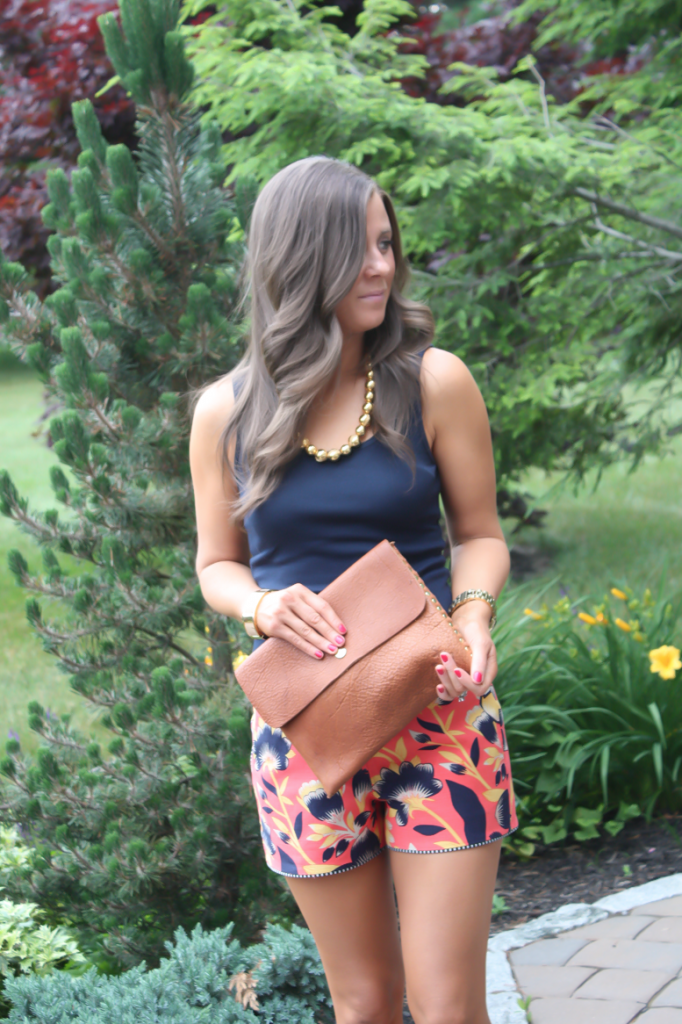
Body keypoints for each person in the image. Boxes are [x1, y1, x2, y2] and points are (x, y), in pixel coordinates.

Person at [190, 156, 517, 1024]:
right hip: (303, 733)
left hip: (441, 712)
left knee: (448, 1006)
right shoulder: (226, 412)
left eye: (386, 243)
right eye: (358, 248)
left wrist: (473, 616)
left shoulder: (432, 381)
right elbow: (215, 563)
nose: (382, 265)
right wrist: (258, 605)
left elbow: (480, 534)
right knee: (365, 1003)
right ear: (300, 261)